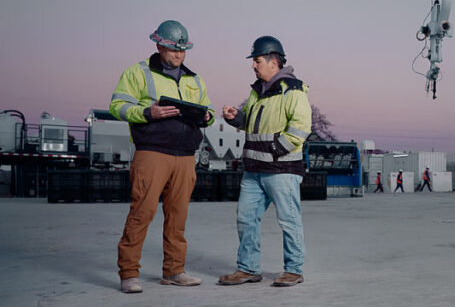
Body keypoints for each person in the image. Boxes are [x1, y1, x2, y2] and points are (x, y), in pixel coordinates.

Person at [110, 20, 213, 294]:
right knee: (142, 212)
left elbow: (209, 110)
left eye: (182, 51)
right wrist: (147, 113)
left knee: (178, 217)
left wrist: (207, 116)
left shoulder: (195, 79)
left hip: (185, 157)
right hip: (152, 153)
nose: (178, 55)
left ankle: (174, 271)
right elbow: (117, 106)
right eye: (172, 50)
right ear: (158, 45)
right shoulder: (137, 73)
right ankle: (129, 273)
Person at [218, 36, 312, 288]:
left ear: (273, 61)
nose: (253, 65)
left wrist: (274, 150)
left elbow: (300, 128)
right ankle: (248, 268)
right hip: (254, 170)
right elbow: (251, 123)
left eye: (257, 60)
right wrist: (237, 117)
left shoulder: (293, 90)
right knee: (246, 218)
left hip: (281, 170)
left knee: (289, 220)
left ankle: (293, 270)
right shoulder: (257, 91)